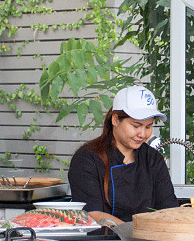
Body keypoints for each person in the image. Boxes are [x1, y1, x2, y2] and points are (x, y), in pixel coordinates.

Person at [69, 85, 179, 224]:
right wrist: (133, 235)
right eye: (136, 125)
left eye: (148, 126)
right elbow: (92, 213)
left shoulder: (153, 159)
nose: (143, 134)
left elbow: (169, 209)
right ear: (115, 119)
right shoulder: (88, 158)